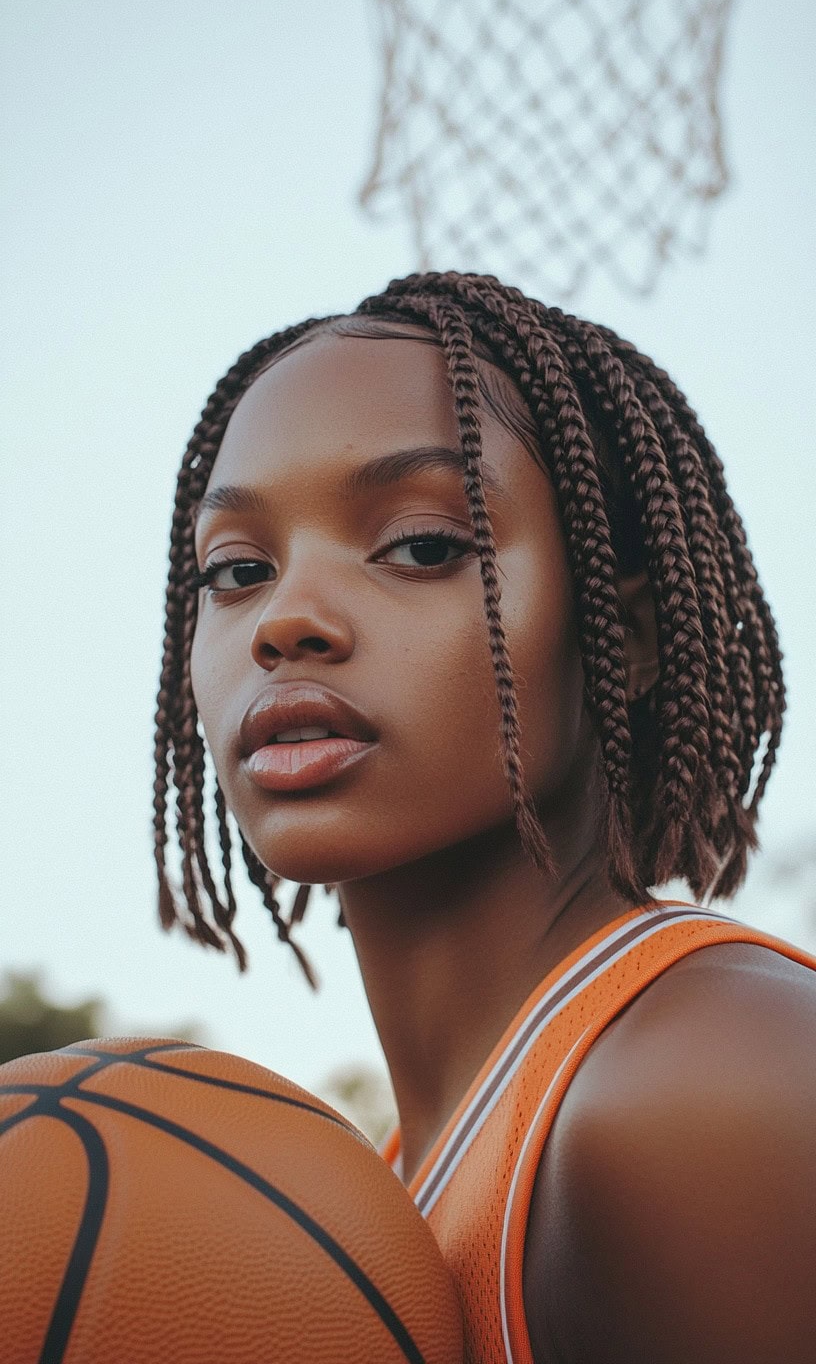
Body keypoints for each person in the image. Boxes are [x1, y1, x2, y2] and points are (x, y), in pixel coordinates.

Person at [153, 271, 816, 1363]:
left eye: (420, 545)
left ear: (630, 635)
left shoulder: (700, 1090)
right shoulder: (403, 1179)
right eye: (236, 569)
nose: (287, 619)